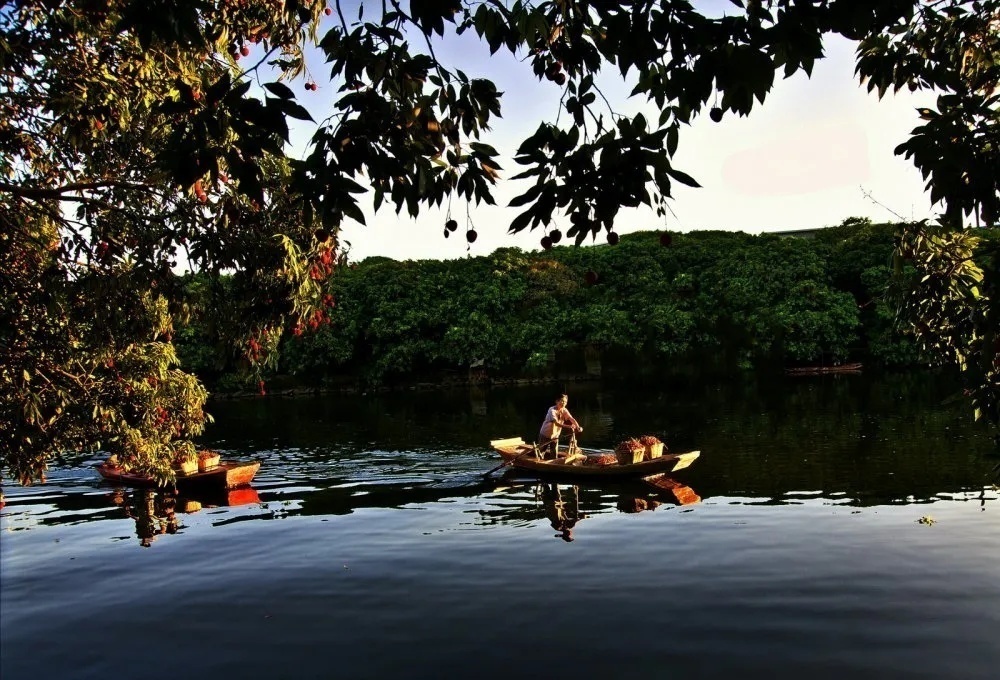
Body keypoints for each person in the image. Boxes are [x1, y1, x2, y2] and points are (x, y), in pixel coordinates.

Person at [537, 393, 582, 459]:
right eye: (562, 401)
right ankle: (538, 463)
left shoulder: (564, 410)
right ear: (556, 401)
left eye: (565, 402)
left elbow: (571, 419)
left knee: (554, 453)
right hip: (545, 434)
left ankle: (553, 465)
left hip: (555, 435)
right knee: (541, 452)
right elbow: (556, 423)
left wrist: (578, 427)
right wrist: (569, 426)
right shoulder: (551, 410)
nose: (564, 403)